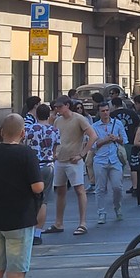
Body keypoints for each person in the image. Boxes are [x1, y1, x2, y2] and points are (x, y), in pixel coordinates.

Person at [0, 114, 44, 278]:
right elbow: (37, 187)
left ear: (2, 131)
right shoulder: (26, 153)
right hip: (20, 220)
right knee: (15, 272)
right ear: (22, 133)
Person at [44, 95, 97, 236]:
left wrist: (82, 154)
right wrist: (54, 153)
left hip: (74, 160)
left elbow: (93, 135)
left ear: (67, 105)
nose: (57, 109)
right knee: (60, 191)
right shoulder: (57, 120)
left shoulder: (79, 118)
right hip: (60, 160)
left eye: (60, 107)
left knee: (79, 190)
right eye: (56, 107)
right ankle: (58, 222)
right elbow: (55, 138)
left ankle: (82, 223)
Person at [24, 104, 60, 245]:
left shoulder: (29, 129)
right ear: (48, 115)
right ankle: (38, 233)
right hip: (48, 165)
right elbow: (55, 150)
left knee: (30, 199)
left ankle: (28, 230)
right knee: (44, 200)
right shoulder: (54, 130)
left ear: (36, 115)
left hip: (32, 166)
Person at [91, 102, 128, 224]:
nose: (105, 113)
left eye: (107, 110)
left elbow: (125, 140)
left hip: (115, 159)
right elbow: (92, 145)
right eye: (103, 111)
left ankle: (117, 207)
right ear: (99, 112)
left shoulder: (117, 124)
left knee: (117, 187)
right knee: (100, 188)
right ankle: (101, 213)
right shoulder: (94, 126)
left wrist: (116, 138)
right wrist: (104, 140)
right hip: (100, 160)